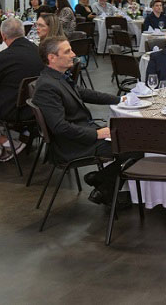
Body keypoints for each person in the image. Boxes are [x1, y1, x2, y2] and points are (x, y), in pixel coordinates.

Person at [32, 36, 133, 205]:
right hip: (71, 145)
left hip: (79, 135)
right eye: (67, 51)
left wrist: (119, 100)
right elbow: (60, 127)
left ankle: (102, 181)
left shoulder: (57, 77)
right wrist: (96, 134)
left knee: (134, 141)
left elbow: (84, 93)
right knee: (136, 147)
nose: (73, 54)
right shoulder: (47, 86)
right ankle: (104, 187)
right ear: (52, 58)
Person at [0, 18, 43, 162]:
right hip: (33, 105)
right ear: (23, 32)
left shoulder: (4, 57)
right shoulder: (37, 50)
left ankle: (6, 142)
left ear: (3, 36)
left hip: (12, 108)